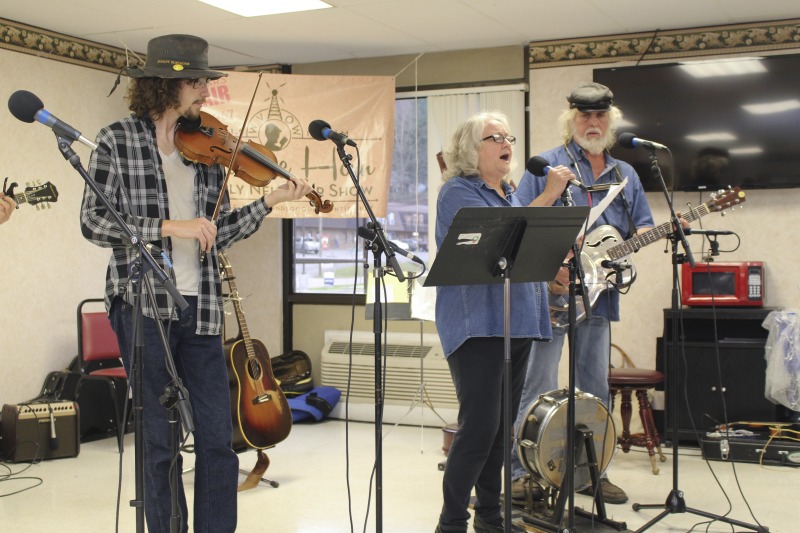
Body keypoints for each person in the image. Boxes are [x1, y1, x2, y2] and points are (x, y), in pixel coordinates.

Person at [80, 34, 312, 533]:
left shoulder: (205, 151)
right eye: (198, 81)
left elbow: (217, 231)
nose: (206, 91)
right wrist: (167, 227)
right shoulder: (116, 141)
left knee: (217, 439)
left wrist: (268, 202)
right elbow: (94, 222)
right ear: (169, 83)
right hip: (142, 305)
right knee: (159, 439)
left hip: (201, 308)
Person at [510, 82, 656, 505]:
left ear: (610, 121)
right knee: (536, 385)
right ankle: (523, 475)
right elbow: (521, 221)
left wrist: (630, 248)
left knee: (594, 387)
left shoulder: (624, 174)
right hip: (549, 295)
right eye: (584, 116)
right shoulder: (547, 166)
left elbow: (642, 226)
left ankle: (593, 472)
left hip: (600, 295)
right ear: (570, 119)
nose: (592, 123)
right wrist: (552, 264)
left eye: (600, 116)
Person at [434, 111, 551, 533]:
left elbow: (525, 246)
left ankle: (490, 517)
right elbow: (503, 239)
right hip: (477, 326)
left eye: (508, 136)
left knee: (502, 430)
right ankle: (450, 523)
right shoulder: (457, 192)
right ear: (471, 149)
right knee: (479, 429)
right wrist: (550, 197)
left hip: (518, 322)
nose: (506, 143)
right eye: (494, 137)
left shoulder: (511, 193)